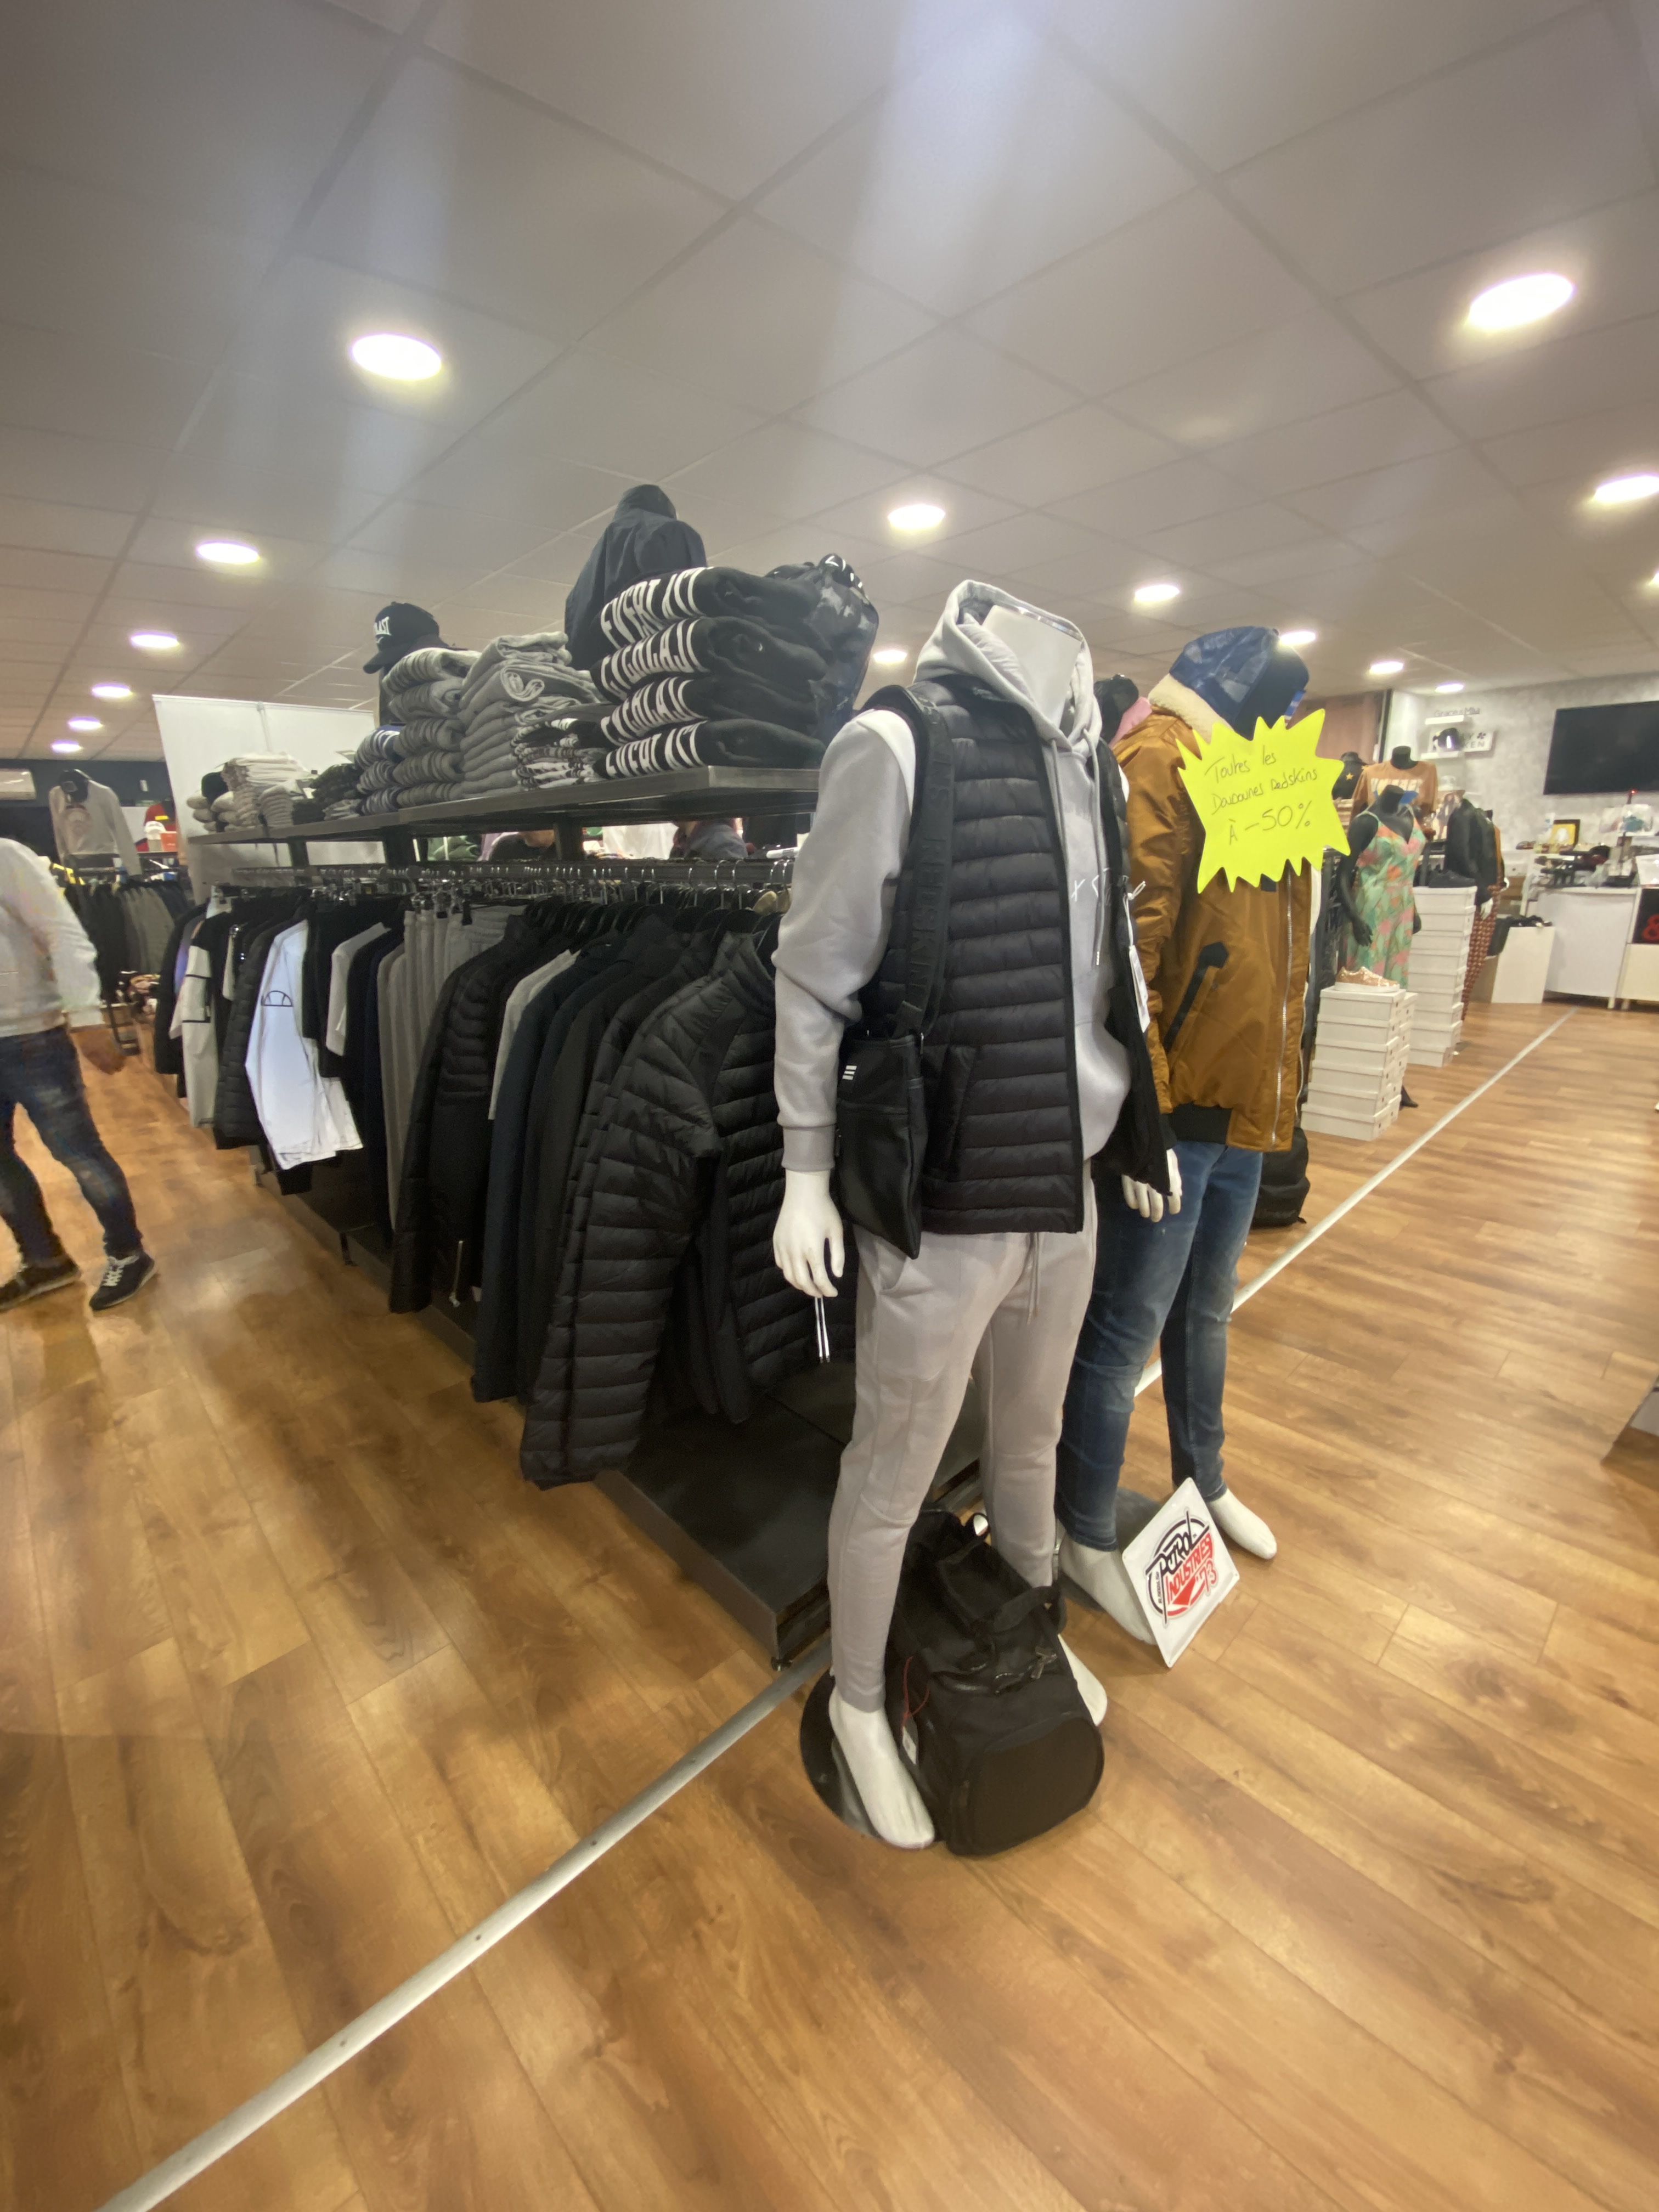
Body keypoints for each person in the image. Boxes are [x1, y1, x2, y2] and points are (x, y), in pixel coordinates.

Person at [0, 839, 154, 1312]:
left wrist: (85, 1016)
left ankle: (128, 1254)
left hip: (30, 1034)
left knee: (78, 1152)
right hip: (25, 1033)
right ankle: (45, 1260)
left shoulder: (5, 857)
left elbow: (62, 931)